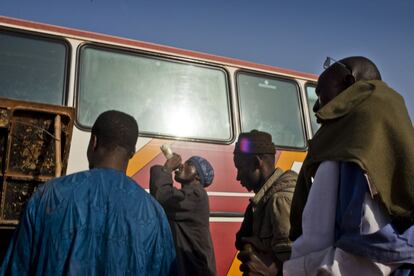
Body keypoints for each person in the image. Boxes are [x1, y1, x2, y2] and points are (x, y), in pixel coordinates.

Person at [0, 110, 177, 275]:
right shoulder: (154, 214)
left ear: (94, 142)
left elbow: (17, 267)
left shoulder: (49, 194)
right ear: (132, 153)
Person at [285, 56, 414, 275]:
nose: (317, 107)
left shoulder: (357, 136)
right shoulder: (380, 120)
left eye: (319, 93)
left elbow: (368, 248)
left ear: (348, 83)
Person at [233, 130, 298, 275]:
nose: (238, 177)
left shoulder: (280, 200)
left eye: (240, 168)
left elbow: (296, 267)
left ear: (256, 163)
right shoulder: (262, 201)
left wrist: (267, 272)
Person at [149, 153, 217, 276]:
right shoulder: (187, 195)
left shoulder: (197, 194)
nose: (181, 165)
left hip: (195, 269)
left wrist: (167, 169)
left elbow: (163, 196)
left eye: (189, 164)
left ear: (197, 177)